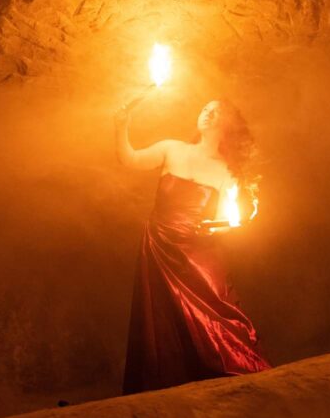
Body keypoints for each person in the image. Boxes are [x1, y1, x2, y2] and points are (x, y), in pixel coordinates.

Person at [115, 98, 271, 394]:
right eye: (204, 108)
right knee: (162, 315)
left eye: (216, 111)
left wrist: (223, 226)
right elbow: (130, 159)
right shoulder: (172, 148)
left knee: (217, 310)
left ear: (228, 126)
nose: (207, 113)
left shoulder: (227, 172)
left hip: (198, 249)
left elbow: (228, 220)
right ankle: (169, 386)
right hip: (160, 242)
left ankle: (238, 371)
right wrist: (120, 126)